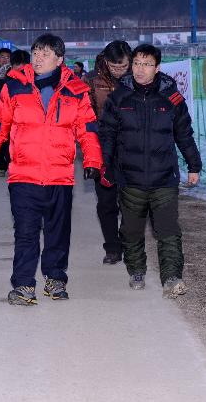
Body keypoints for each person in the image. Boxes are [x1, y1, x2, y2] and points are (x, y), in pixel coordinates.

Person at [0, 34, 102, 306]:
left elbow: (88, 129)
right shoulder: (14, 87)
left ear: (59, 59)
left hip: (60, 175)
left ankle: (56, 279)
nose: (38, 58)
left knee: (58, 231)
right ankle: (23, 285)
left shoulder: (76, 91)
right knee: (25, 232)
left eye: (45, 54)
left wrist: (92, 161)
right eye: (35, 53)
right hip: (24, 174)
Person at [99, 44, 202, 297]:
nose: (140, 69)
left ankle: (172, 278)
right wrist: (105, 166)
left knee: (167, 230)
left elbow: (184, 133)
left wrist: (194, 165)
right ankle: (136, 269)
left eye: (146, 65)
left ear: (157, 68)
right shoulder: (119, 97)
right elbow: (108, 136)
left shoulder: (171, 98)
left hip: (164, 177)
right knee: (132, 231)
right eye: (136, 64)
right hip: (130, 178)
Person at [86, 40, 132, 264]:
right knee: (106, 202)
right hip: (102, 149)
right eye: (114, 67)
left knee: (131, 202)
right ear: (105, 61)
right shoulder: (92, 81)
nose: (119, 71)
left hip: (132, 149)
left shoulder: (137, 79)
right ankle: (112, 247)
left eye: (123, 67)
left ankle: (126, 241)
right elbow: (86, 116)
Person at [0, 49, 30, 178]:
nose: (20, 69)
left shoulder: (34, 84)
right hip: (5, 122)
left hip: (24, 125)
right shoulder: (2, 83)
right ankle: (3, 166)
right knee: (4, 148)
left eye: (23, 65)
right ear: (12, 65)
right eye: (17, 64)